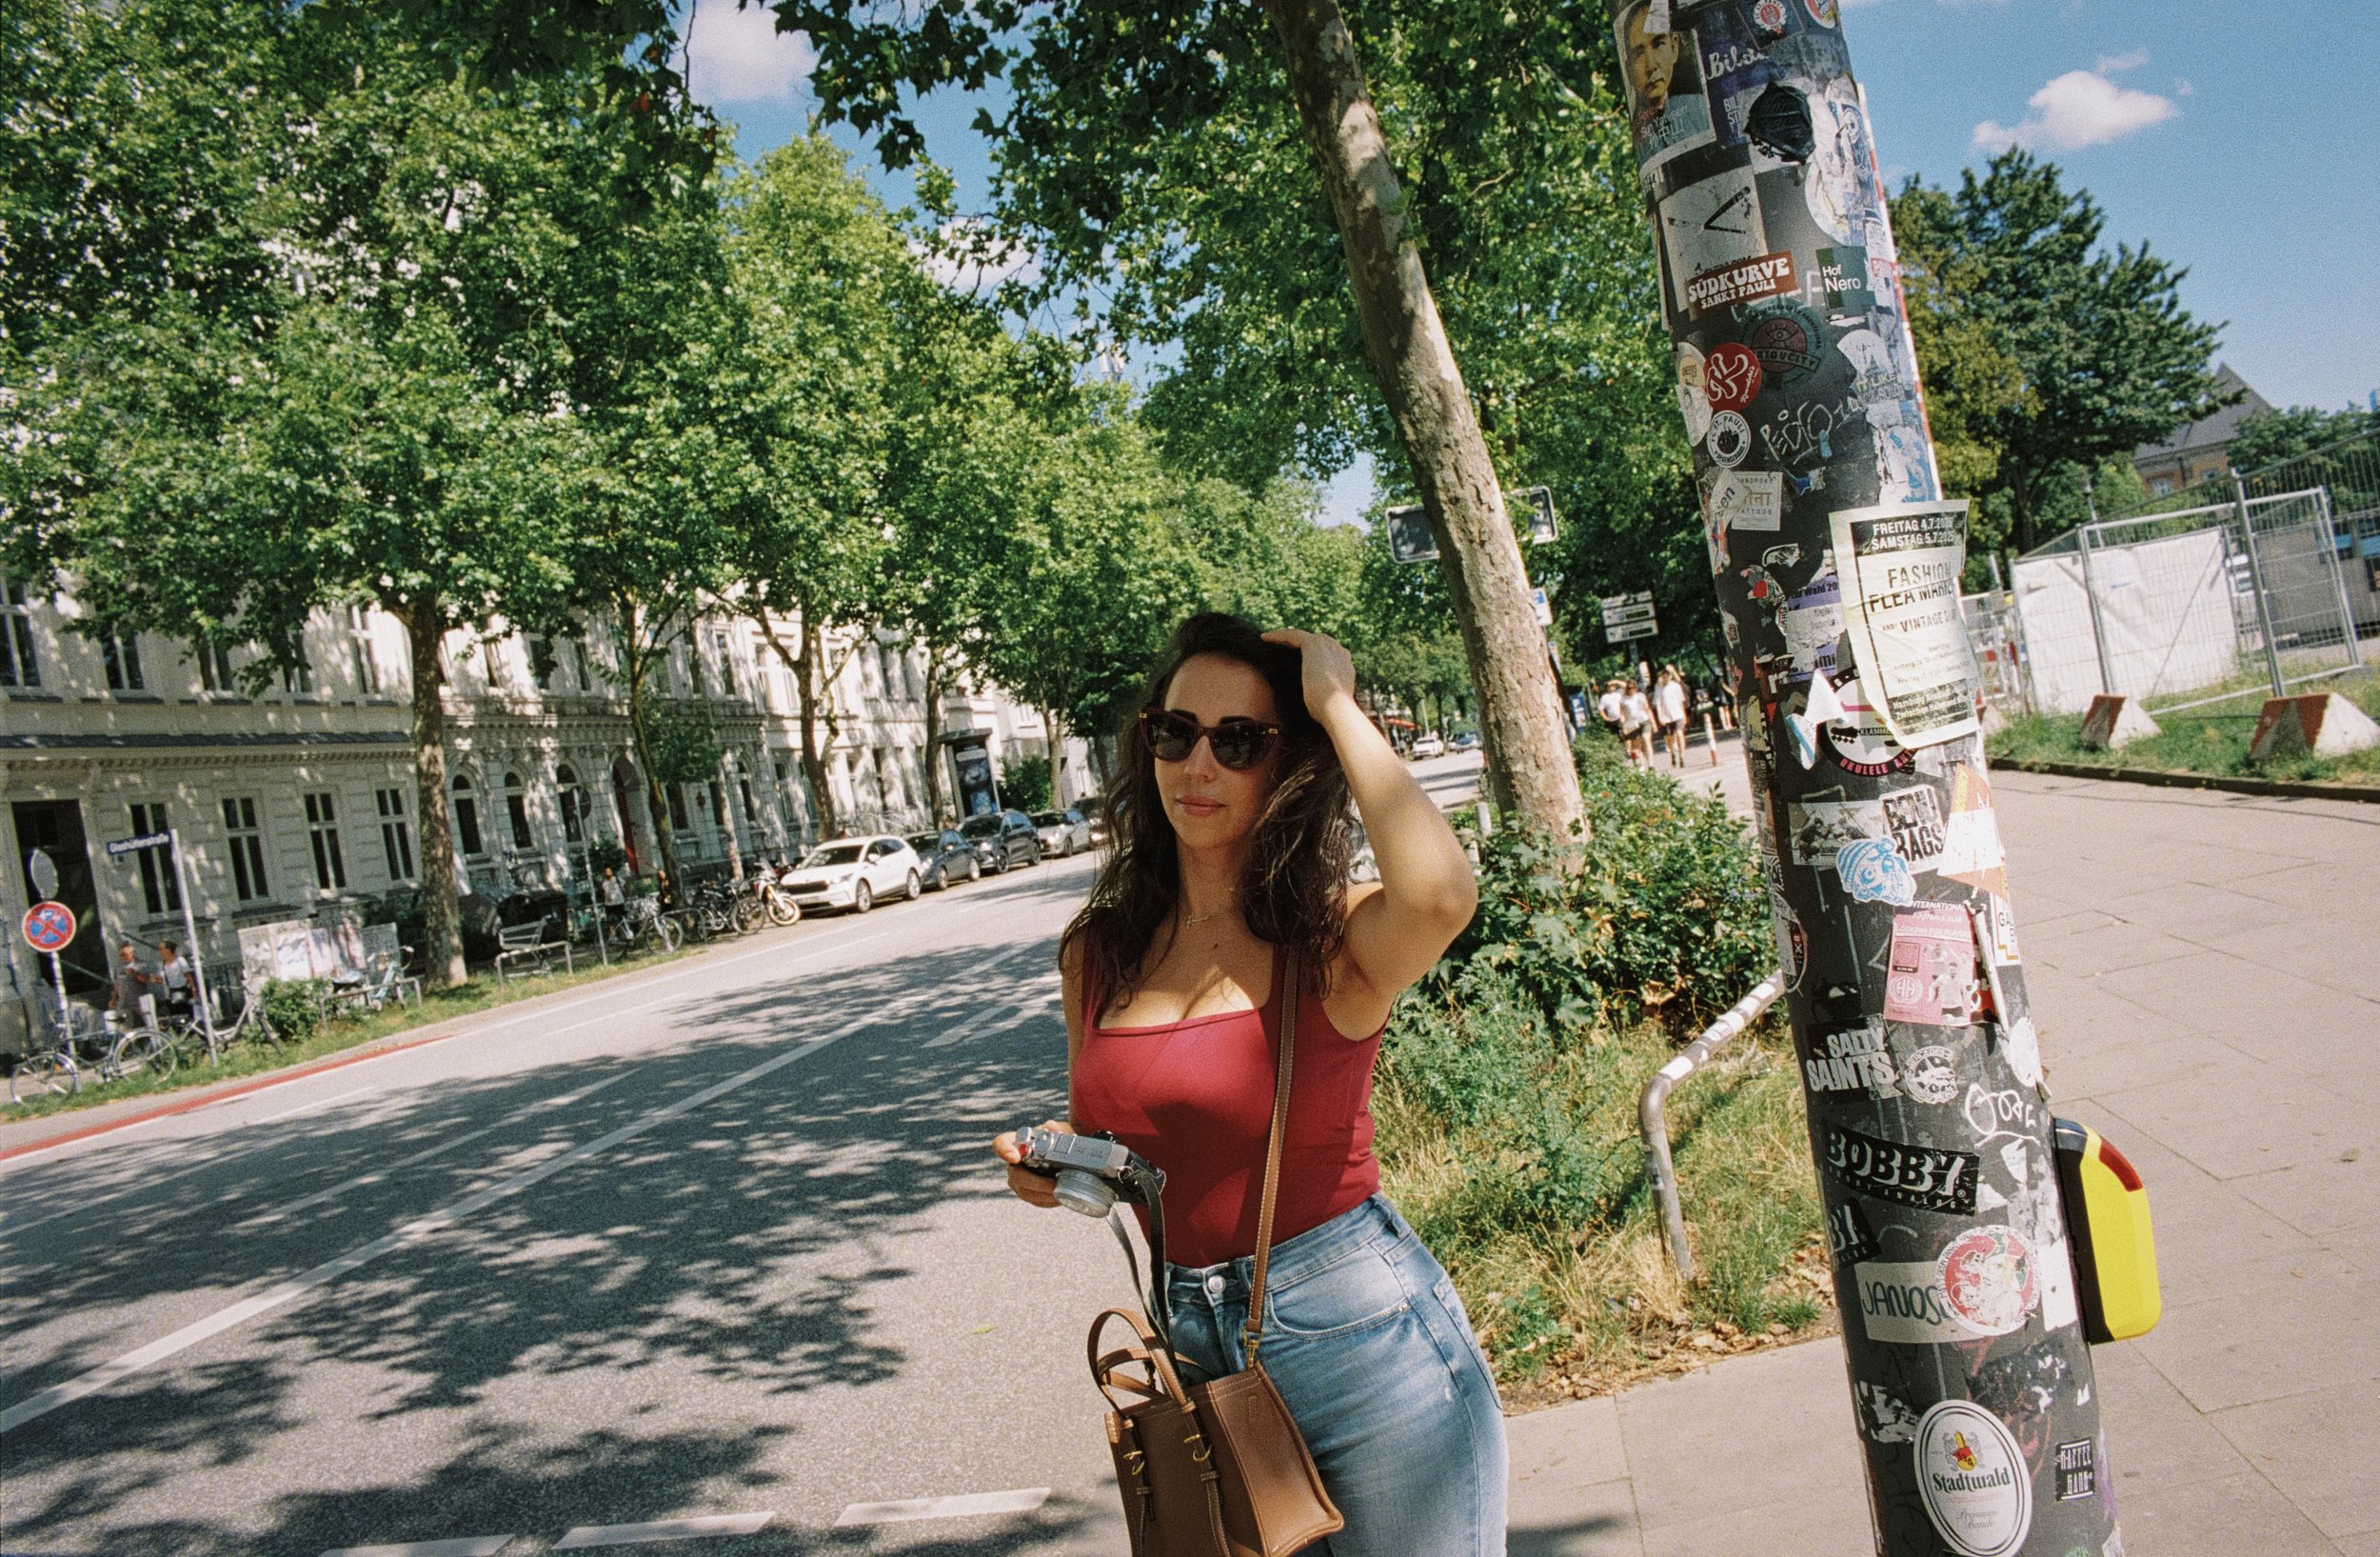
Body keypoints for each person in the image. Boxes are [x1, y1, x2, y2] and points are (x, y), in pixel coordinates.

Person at [993, 613, 1506, 1556]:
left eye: (1237, 742)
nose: (1199, 765)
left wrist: (1336, 705)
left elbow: (1441, 897)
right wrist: (1054, 1164)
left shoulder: (1331, 939)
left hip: (1361, 1341)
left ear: (1286, 765)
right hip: (1190, 1342)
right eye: (1175, 732)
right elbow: (1128, 1139)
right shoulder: (1098, 951)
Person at [109, 942, 156, 1029]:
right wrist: (113, 999)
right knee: (126, 1028)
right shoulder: (119, 967)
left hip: (139, 1003)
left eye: (125, 954)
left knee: (147, 1026)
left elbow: (146, 980)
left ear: (132, 953)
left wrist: (135, 973)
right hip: (124, 1003)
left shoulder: (140, 964)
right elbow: (117, 984)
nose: (123, 957)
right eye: (121, 955)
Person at [155, 940, 199, 1025]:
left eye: (161, 949)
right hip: (170, 994)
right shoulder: (161, 964)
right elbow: (162, 981)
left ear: (168, 950)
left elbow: (188, 976)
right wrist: (156, 980)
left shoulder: (180, 960)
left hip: (183, 991)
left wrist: (194, 990)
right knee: (175, 1016)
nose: (159, 951)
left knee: (186, 1014)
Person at [1656, 666, 1691, 769]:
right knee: (1670, 738)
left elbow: (1681, 702)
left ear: (1670, 676)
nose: (1666, 678)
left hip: (1677, 714)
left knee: (1680, 734)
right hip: (1666, 716)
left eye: (1667, 676)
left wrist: (1684, 715)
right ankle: (1672, 754)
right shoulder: (1659, 688)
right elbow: (1658, 703)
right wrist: (1660, 717)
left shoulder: (1676, 686)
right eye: (1664, 676)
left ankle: (1682, 757)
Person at [1621, 679, 1656, 769]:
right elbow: (1622, 713)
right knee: (1636, 746)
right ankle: (1641, 766)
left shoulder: (1641, 696)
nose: (1631, 690)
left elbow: (1647, 709)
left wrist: (1654, 723)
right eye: (1629, 688)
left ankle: (1651, 765)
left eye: (1633, 688)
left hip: (1644, 720)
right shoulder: (1623, 699)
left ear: (1636, 688)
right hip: (1632, 724)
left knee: (1646, 739)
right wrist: (1623, 725)